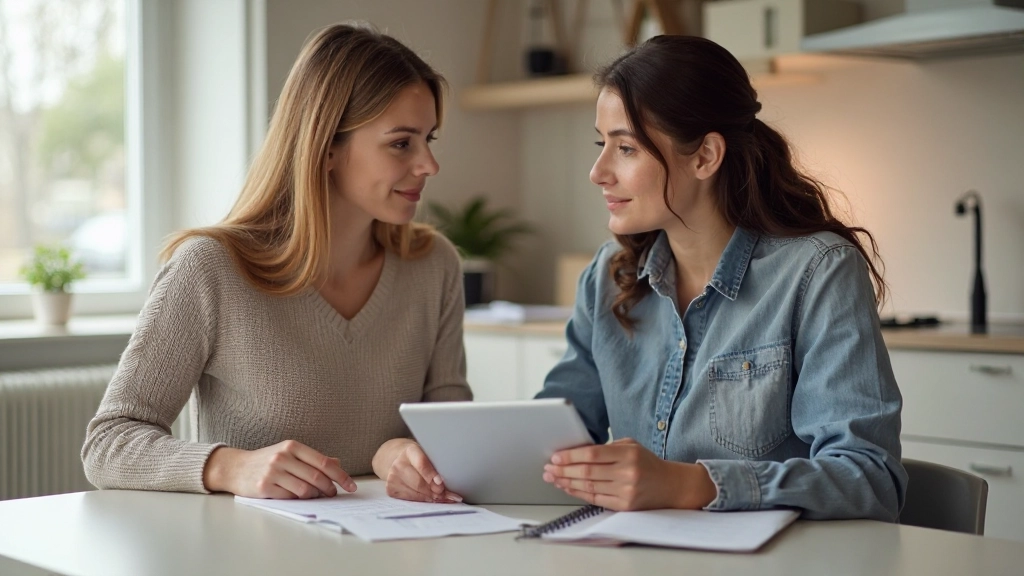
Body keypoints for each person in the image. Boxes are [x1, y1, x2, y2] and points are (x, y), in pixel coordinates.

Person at [82, 23, 470, 504]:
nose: (428, 164)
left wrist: (402, 454)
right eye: (401, 143)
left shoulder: (434, 267)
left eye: (429, 139)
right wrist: (232, 467)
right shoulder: (210, 269)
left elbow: (456, 436)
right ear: (327, 146)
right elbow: (108, 444)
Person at [537, 35, 907, 521]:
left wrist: (692, 484)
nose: (598, 171)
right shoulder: (608, 277)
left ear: (706, 156)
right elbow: (550, 440)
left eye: (625, 148)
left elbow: (869, 479)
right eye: (601, 144)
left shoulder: (817, 271)